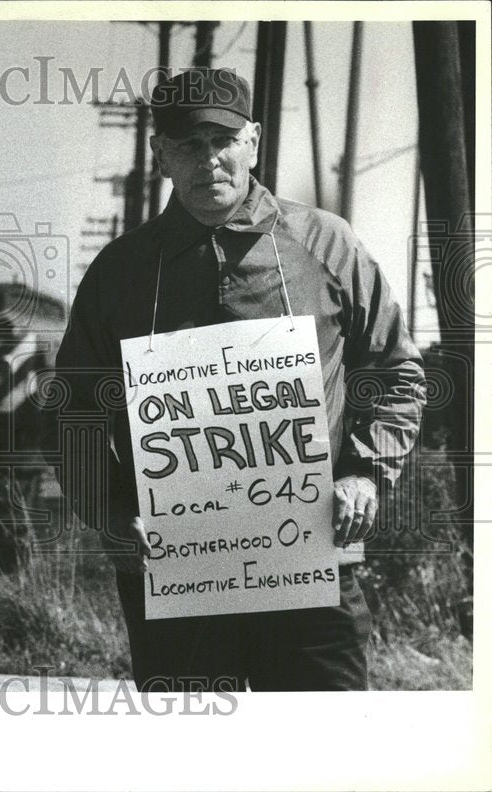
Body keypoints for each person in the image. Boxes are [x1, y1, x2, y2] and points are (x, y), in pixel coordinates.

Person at [51, 68, 426, 691]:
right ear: (160, 154)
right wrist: (110, 508)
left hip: (311, 562)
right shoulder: (121, 270)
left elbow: (396, 370)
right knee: (194, 764)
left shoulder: (326, 243)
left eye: (224, 140)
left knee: (324, 759)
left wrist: (366, 469)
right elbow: (72, 408)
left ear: (252, 141)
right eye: (188, 144)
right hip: (176, 573)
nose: (210, 160)